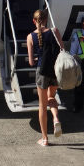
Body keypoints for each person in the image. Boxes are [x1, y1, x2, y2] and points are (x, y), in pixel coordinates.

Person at [26, 9, 64, 147]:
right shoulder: (55, 31)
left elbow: (31, 62)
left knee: (42, 106)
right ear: (46, 19)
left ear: (34, 21)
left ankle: (45, 139)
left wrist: (38, 57)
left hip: (41, 72)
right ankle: (55, 118)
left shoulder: (30, 37)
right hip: (55, 71)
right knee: (52, 98)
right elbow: (62, 49)